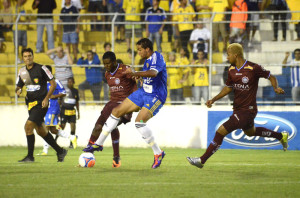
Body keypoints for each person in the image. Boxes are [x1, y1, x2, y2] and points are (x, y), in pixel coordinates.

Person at [187, 43, 288, 169]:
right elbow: (228, 88)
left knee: (220, 132)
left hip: (248, 110)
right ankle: (281, 136)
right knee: (251, 132)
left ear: (236, 55)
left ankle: (201, 160)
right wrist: (213, 99)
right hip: (238, 109)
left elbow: (270, 76)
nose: (227, 57)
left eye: (228, 54)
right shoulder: (231, 69)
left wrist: (275, 87)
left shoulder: (253, 68)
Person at [83, 38, 167, 169]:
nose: (138, 52)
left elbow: (153, 73)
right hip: (143, 92)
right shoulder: (147, 61)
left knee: (139, 122)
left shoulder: (157, 57)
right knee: (116, 112)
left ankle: (158, 153)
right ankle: (98, 144)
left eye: (140, 50)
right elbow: (148, 76)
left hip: (155, 96)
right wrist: (140, 77)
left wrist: (135, 73)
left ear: (147, 49)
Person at [15, 48, 68, 162]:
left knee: (28, 127)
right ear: (23, 58)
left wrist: (46, 98)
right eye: (25, 56)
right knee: (41, 131)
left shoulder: (41, 68)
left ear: (33, 56)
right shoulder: (22, 71)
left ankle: (30, 156)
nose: (28, 58)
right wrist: (18, 90)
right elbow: (19, 86)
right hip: (30, 105)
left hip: (41, 104)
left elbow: (53, 84)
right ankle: (60, 151)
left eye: (29, 55)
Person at [86, 51, 137, 168]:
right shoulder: (106, 74)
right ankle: (88, 154)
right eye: (104, 64)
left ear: (114, 62)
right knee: (98, 127)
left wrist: (135, 101)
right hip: (111, 105)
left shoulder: (125, 70)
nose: (106, 66)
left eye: (108, 64)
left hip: (125, 105)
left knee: (111, 126)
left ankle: (114, 155)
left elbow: (134, 81)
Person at [37, 66, 77, 155]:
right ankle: (71, 137)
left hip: (52, 108)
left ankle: (45, 150)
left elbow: (63, 93)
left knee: (45, 129)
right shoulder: (43, 83)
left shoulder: (55, 82)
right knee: (53, 130)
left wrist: (54, 96)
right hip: (47, 109)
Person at [60, 77, 80, 149]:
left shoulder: (75, 91)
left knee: (73, 128)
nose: (70, 83)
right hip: (64, 111)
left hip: (72, 111)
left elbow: (77, 102)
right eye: (69, 82)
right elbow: (60, 100)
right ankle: (54, 141)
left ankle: (71, 144)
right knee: (61, 127)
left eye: (71, 82)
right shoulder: (64, 90)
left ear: (73, 82)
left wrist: (78, 112)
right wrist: (59, 111)